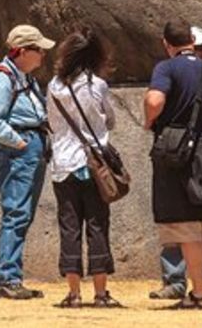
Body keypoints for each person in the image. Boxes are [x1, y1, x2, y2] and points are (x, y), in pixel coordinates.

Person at [145, 20, 202, 310]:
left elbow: (155, 99)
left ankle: (198, 294)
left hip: (178, 154)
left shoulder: (166, 68)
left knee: (187, 229)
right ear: (191, 41)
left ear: (167, 43)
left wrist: (149, 120)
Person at [46, 29, 122, 308]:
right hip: (94, 166)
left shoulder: (54, 86)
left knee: (69, 227)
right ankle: (101, 294)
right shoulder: (97, 85)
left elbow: (52, 123)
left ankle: (73, 293)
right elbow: (110, 120)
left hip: (63, 165)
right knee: (98, 225)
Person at [0, 24, 55, 300]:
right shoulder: (0, 80)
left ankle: (11, 277)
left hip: (30, 146)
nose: (42, 55)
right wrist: (19, 141)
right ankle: (8, 279)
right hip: (17, 149)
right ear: (22, 51)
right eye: (38, 50)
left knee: (22, 214)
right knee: (16, 213)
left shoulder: (25, 78)